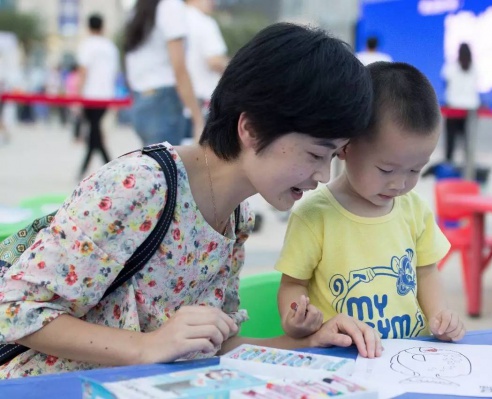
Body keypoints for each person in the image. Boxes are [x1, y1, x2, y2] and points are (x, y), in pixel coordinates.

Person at [0, 23, 381, 379]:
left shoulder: (238, 216)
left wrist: (307, 343)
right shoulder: (141, 185)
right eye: (316, 154)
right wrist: (146, 346)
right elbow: (14, 309)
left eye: (334, 157)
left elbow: (211, 346)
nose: (324, 176)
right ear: (250, 128)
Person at [275, 62, 466, 342]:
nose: (400, 183)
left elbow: (426, 273)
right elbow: (293, 284)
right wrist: (297, 322)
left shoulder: (415, 210)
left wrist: (441, 316)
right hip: (344, 355)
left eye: (416, 170)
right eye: (386, 170)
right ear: (345, 147)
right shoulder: (314, 216)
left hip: (407, 355)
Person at [124, 0, 204, 146]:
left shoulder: (139, 9)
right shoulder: (170, 6)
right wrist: (198, 118)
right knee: (167, 165)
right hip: (163, 102)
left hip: (140, 100)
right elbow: (179, 68)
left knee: (154, 164)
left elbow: (129, 62)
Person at [77, 14, 119, 179]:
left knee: (94, 132)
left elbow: (83, 72)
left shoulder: (87, 45)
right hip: (106, 96)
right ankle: (89, 167)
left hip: (90, 96)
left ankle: (109, 166)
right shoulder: (110, 47)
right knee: (94, 132)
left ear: (88, 27)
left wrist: (78, 96)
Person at [184, 0, 228, 113]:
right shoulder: (205, 23)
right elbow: (215, 61)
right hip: (202, 104)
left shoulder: (174, 19)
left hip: (180, 102)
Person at [441, 42, 480, 163]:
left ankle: (448, 163)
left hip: (453, 106)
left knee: (450, 139)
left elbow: (446, 84)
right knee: (468, 140)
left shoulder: (450, 67)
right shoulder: (475, 68)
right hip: (470, 107)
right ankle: (468, 165)